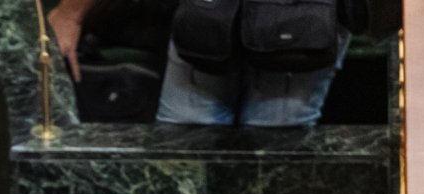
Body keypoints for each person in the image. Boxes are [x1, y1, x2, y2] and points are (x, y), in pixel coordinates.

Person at [48, 0, 348, 126]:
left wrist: (71, 12)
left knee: (275, 164)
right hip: (215, 20)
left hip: (300, 21)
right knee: (275, 167)